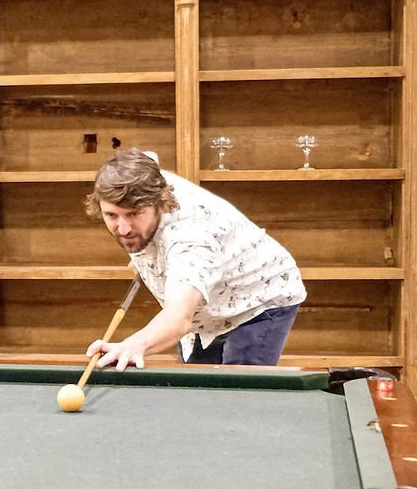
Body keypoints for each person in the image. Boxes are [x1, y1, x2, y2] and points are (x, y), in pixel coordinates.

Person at [85, 149, 305, 370]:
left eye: (134, 214)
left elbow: (179, 315)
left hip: (257, 300)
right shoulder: (142, 174)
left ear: (160, 201)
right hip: (207, 308)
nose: (123, 229)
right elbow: (149, 155)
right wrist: (153, 259)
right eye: (112, 215)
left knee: (237, 398)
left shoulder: (190, 237)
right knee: (197, 393)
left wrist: (134, 345)